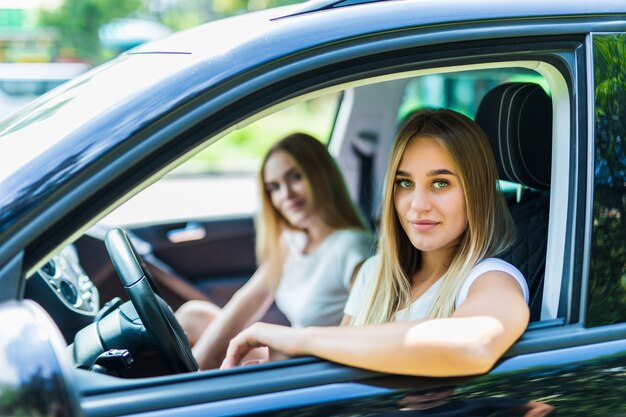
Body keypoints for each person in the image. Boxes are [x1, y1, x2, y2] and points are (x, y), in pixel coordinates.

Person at [220, 109, 530, 377]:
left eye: (440, 183)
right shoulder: (374, 274)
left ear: (475, 192)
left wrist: (299, 339)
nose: (416, 205)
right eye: (405, 183)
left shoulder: (489, 278)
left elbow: (472, 345)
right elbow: (337, 371)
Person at [176, 132, 374, 369]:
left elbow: (358, 340)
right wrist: (200, 364)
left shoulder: (352, 247)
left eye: (295, 177)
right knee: (193, 316)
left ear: (322, 175)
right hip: (290, 355)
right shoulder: (292, 241)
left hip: (316, 368)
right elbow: (247, 301)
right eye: (274, 187)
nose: (286, 195)